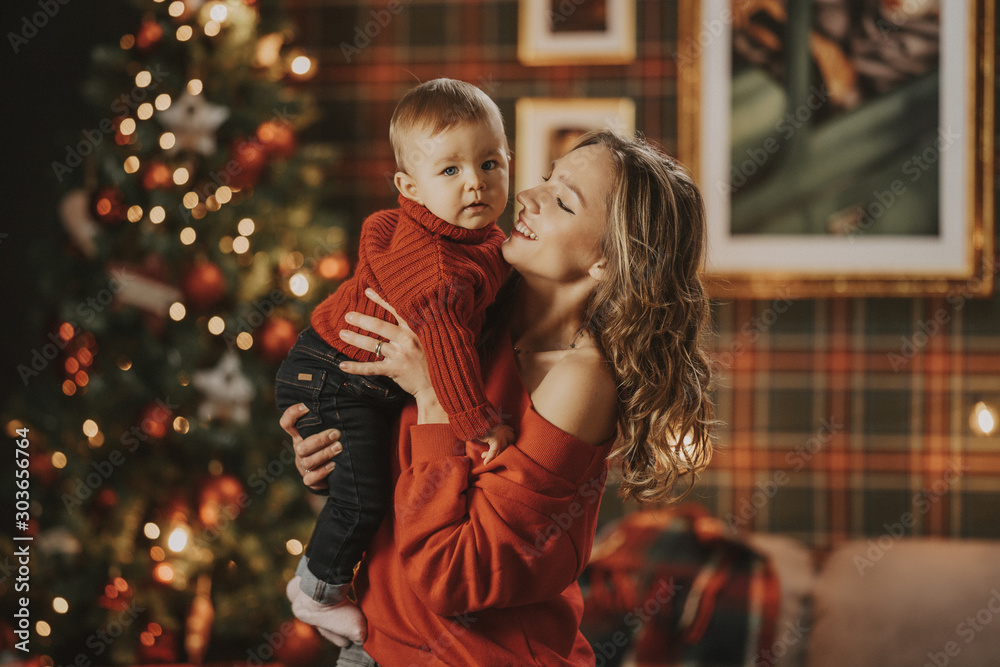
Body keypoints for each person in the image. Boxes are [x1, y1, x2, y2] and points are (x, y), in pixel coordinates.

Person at [280, 130, 716, 665]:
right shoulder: (469, 304)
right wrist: (332, 447)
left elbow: (454, 576)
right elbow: (409, 484)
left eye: (562, 200)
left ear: (607, 259)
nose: (530, 195)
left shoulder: (581, 380)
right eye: (548, 176)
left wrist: (434, 396)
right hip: (378, 645)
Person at [275, 78, 515, 641]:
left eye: (490, 163)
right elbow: (449, 360)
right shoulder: (440, 271)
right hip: (332, 376)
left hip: (351, 379)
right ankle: (316, 590)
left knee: (363, 487)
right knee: (361, 498)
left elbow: (381, 228)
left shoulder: (469, 239)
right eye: (450, 171)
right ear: (409, 186)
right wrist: (482, 425)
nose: (476, 183)